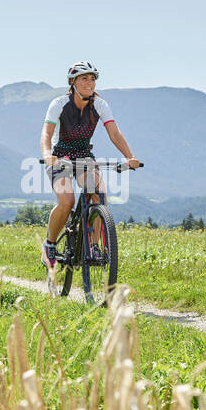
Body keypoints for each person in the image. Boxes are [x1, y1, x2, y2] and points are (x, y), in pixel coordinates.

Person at [39, 62, 141, 268]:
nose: (89, 82)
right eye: (84, 78)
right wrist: (48, 154)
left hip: (85, 157)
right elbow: (46, 133)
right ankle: (49, 244)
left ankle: (94, 246)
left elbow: (114, 133)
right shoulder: (59, 104)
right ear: (73, 82)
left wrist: (130, 157)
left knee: (99, 195)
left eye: (92, 79)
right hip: (61, 157)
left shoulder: (100, 105)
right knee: (67, 201)